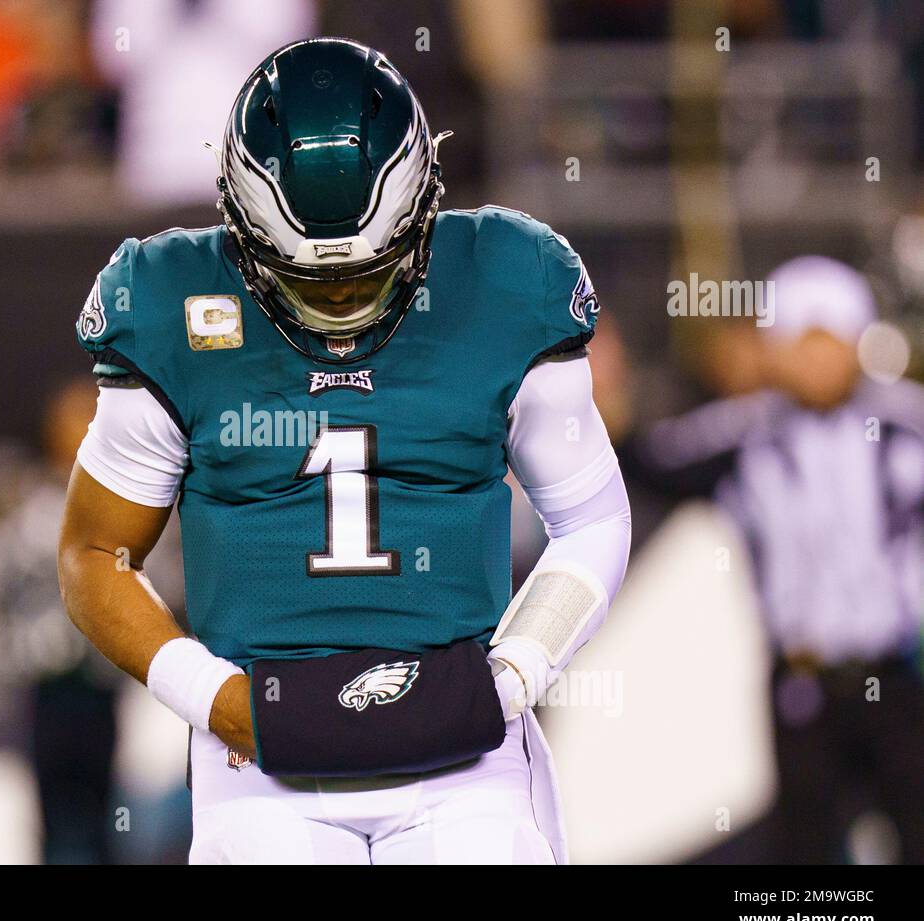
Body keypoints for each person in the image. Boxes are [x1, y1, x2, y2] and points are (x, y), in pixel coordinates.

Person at [58, 38, 631, 864]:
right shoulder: (174, 302)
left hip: (465, 761)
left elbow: (592, 519)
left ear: (424, 209)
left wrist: (514, 672)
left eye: (369, 274)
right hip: (259, 757)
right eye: (309, 280)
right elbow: (93, 553)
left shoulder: (504, 279)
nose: (343, 304)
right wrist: (211, 696)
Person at [629, 256, 924, 864]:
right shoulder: (744, 433)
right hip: (801, 681)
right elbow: (652, 462)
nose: (817, 361)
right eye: (800, 343)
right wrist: (609, 404)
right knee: (807, 857)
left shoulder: (903, 425)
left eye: (830, 342)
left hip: (897, 677)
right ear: (772, 351)